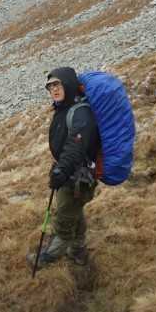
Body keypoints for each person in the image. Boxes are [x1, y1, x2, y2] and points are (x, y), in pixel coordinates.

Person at [27, 67, 100, 269]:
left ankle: (48, 258)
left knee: (64, 219)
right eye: (50, 87)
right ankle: (78, 251)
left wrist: (61, 170)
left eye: (57, 84)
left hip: (77, 177)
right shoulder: (64, 108)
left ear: (68, 84)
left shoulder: (81, 112)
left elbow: (75, 145)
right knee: (74, 212)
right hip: (70, 172)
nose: (54, 90)